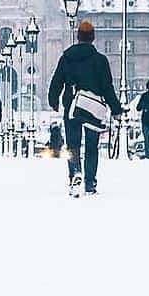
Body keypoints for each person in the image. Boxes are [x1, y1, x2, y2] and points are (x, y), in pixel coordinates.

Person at [47, 20, 122, 196]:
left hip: (72, 107)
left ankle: (75, 173)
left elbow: (56, 80)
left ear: (78, 37)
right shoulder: (100, 60)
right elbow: (107, 87)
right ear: (92, 38)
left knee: (73, 145)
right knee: (91, 147)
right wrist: (116, 109)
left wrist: (54, 100)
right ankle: (90, 183)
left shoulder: (66, 57)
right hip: (93, 108)